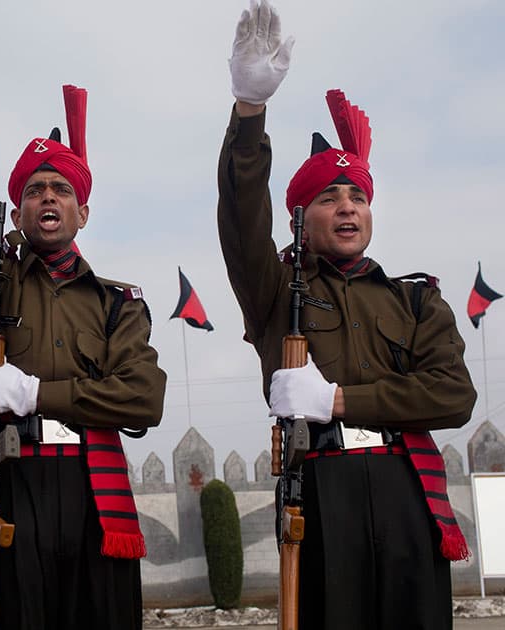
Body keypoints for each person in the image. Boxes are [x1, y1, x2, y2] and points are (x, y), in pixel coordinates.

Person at [217, 2, 477, 628]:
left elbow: (452, 396)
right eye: (328, 197)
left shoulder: (418, 300)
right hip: (322, 495)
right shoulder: (276, 290)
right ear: (300, 217)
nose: (347, 207)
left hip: (408, 492)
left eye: (357, 195)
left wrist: (337, 401)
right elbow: (240, 216)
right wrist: (249, 114)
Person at [0, 1, 167, 628]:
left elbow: (142, 399)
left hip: (95, 494)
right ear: (20, 209)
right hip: (15, 491)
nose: (47, 197)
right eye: (34, 189)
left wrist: (32, 392)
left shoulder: (119, 305)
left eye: (61, 189)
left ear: (82, 212)